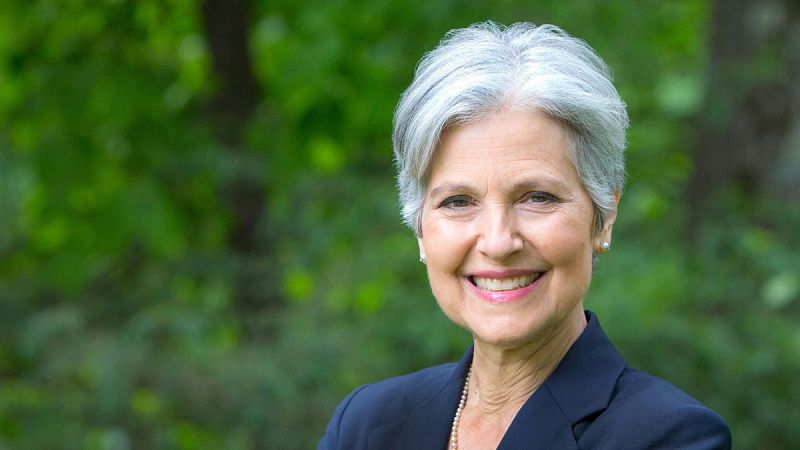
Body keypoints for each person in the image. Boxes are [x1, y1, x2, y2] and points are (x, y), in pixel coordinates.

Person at [318, 22, 731, 449]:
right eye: (458, 201)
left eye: (537, 197)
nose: (498, 243)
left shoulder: (668, 435)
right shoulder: (365, 425)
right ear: (420, 227)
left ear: (604, 216)